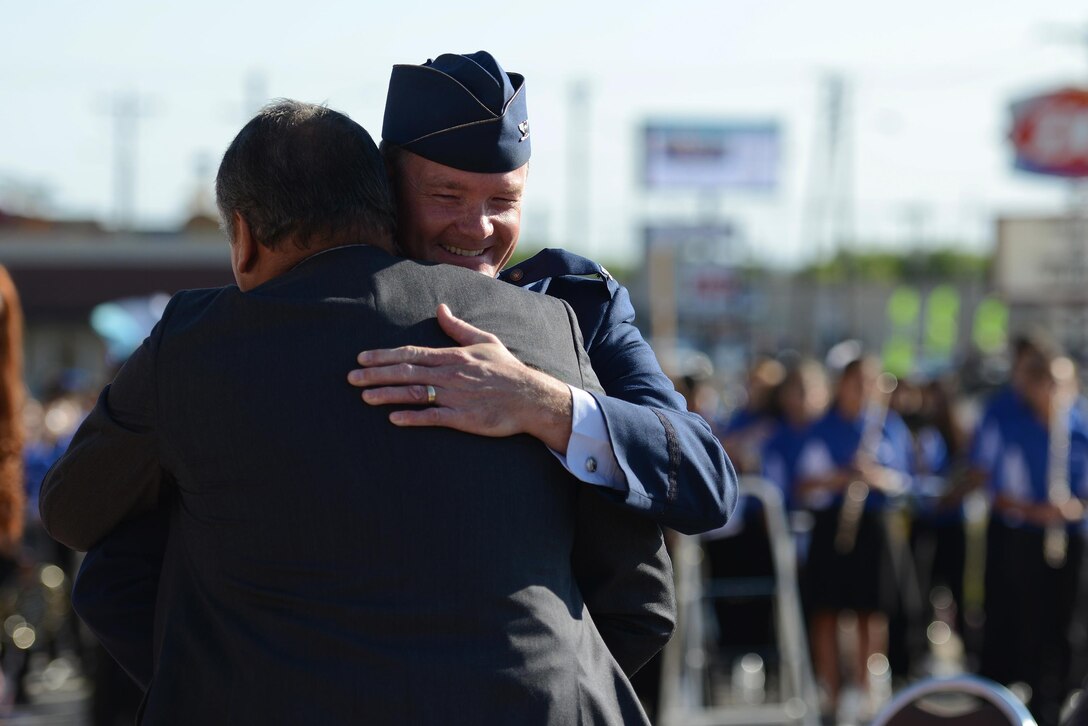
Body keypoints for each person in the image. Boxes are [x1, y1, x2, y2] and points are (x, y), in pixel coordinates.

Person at [40, 101, 673, 724]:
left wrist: (216, 685)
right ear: (386, 212)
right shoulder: (541, 328)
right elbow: (642, 594)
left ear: (243, 237)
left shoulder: (194, 343)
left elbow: (78, 517)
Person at [348, 51, 736, 535]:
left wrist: (541, 403)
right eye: (446, 197)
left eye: (503, 200)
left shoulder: (578, 306)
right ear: (389, 187)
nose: (478, 228)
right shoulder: (333, 300)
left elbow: (705, 479)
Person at [793, 354, 913, 718]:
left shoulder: (888, 426)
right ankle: (829, 690)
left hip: (874, 523)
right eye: (856, 381)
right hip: (832, 522)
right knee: (826, 609)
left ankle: (864, 692)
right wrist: (841, 477)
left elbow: (906, 482)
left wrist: (874, 476)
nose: (864, 389)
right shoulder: (822, 427)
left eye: (870, 382)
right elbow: (802, 483)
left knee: (870, 610)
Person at [977, 343, 1088, 726]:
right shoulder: (1015, 430)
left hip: (1071, 540)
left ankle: (1064, 699)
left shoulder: (1082, 432)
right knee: (1027, 620)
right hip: (1025, 539)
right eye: (1048, 383)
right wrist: (1036, 511)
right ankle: (1029, 700)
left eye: (1063, 384)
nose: (1055, 392)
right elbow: (998, 491)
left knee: (1069, 622)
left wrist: (1074, 508)